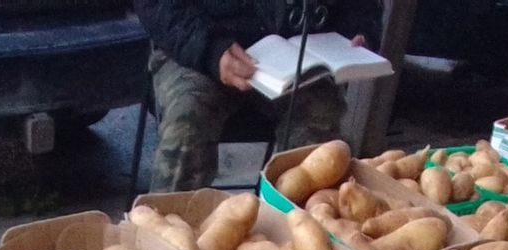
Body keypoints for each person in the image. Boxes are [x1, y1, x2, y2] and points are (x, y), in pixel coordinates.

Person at [134, 0, 383, 192]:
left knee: (320, 125)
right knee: (187, 119)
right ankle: (168, 237)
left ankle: (300, 232)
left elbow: (362, 7)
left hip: (293, 56)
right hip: (198, 49)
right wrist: (209, 48)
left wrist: (360, 30)